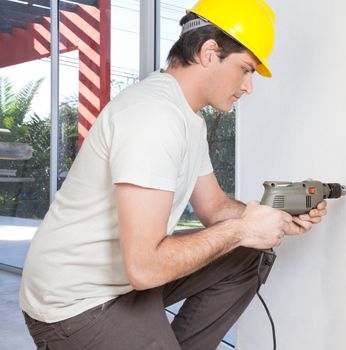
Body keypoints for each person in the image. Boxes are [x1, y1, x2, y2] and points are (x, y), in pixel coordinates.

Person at [19, 0, 327, 349]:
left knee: (248, 254)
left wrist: (276, 217)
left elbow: (214, 207)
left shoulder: (187, 119)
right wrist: (243, 228)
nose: (248, 86)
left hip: (125, 280)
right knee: (239, 238)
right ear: (209, 52)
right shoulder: (155, 116)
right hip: (74, 302)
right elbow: (146, 266)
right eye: (245, 69)